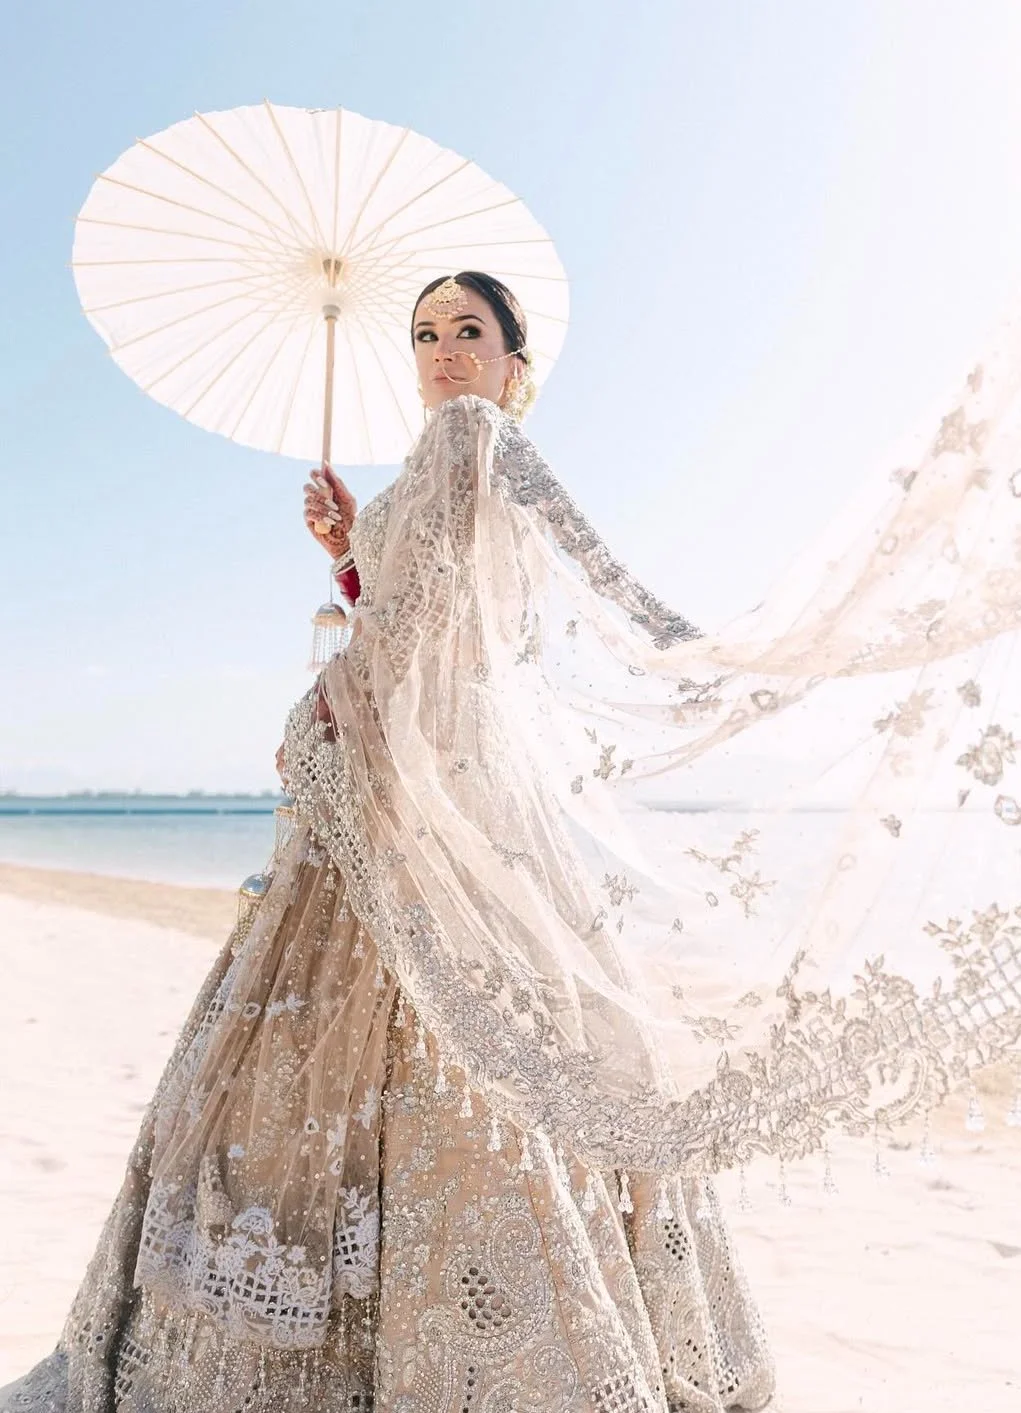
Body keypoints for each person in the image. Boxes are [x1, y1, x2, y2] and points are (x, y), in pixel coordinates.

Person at [2, 270, 1019, 1413]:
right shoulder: (469, 466)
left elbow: (421, 635)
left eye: (468, 332)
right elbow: (440, 620)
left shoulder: (471, 439)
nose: (442, 352)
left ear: (512, 366)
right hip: (439, 798)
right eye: (426, 333)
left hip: (404, 798)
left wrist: (325, 698)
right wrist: (348, 554)